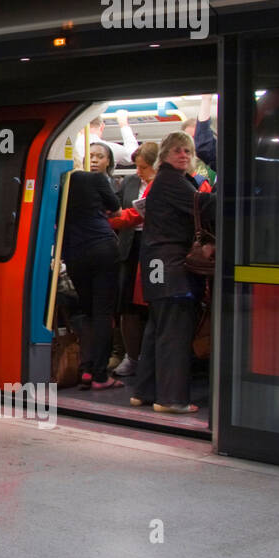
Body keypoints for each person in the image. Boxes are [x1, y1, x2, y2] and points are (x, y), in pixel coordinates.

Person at [131, 132, 216, 414]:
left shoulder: (164, 181)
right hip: (172, 265)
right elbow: (203, 206)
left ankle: (145, 391)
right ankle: (171, 398)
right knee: (175, 331)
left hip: (157, 263)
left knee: (158, 329)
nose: (184, 155)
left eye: (188, 151)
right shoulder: (173, 181)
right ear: (165, 155)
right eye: (178, 151)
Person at [61, 160, 123, 390]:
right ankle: (100, 375)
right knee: (103, 313)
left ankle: (86, 368)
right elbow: (115, 205)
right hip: (101, 247)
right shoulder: (94, 179)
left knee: (86, 311)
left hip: (73, 252)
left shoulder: (55, 185)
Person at [109, 141, 159, 377]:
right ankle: (132, 356)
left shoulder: (164, 185)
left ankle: (151, 359)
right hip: (130, 249)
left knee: (152, 306)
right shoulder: (129, 182)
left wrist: (115, 219)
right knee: (127, 306)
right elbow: (116, 209)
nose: (138, 172)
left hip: (154, 249)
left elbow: (131, 216)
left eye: (143, 168)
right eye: (137, 167)